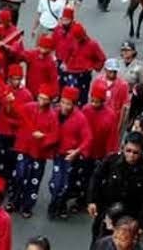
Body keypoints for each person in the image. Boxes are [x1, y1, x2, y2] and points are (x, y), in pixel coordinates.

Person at [87, 132, 143, 243]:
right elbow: (96, 178)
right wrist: (91, 201)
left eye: (135, 152)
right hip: (107, 212)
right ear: (123, 148)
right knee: (99, 243)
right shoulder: (112, 161)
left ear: (142, 152)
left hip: (129, 218)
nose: (131, 155)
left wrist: (142, 224)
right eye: (128, 151)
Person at [11, 84, 59, 218]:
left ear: (50, 100)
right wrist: (10, 100)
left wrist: (44, 136)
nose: (41, 101)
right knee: (19, 175)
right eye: (40, 98)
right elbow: (16, 112)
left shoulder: (52, 115)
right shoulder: (29, 107)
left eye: (45, 99)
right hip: (24, 148)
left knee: (34, 180)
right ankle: (14, 201)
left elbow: (55, 135)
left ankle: (27, 206)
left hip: (39, 153)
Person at [48, 86, 92, 219]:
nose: (64, 106)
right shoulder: (54, 113)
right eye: (63, 102)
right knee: (56, 183)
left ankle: (59, 206)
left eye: (68, 103)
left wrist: (77, 151)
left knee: (66, 184)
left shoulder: (80, 118)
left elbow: (88, 138)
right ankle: (55, 205)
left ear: (74, 104)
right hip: (57, 154)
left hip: (70, 156)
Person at [58, 23, 106, 105]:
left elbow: (102, 58)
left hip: (83, 75)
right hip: (71, 74)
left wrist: (94, 67)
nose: (77, 40)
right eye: (76, 38)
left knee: (81, 99)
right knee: (68, 98)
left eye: (79, 38)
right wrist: (65, 63)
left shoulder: (93, 45)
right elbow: (66, 54)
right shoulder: (72, 41)